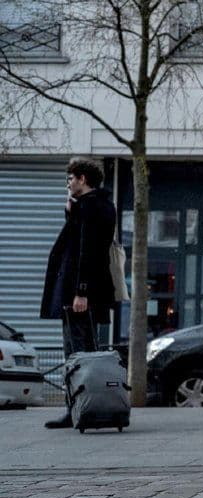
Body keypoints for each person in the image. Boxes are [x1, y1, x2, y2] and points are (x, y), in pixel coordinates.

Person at [40, 157, 118, 430]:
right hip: (88, 290)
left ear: (83, 179)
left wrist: (81, 291)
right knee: (85, 350)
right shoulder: (102, 205)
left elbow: (87, 250)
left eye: (71, 179)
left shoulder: (90, 206)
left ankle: (79, 408)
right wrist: (70, 213)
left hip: (79, 292)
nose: (68, 184)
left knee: (76, 352)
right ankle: (86, 406)